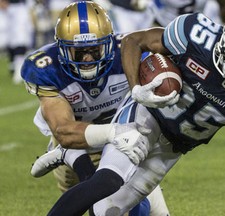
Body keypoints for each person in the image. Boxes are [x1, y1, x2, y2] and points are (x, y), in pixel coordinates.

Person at [33, 6, 225, 216]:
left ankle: (72, 156)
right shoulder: (195, 34)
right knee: (107, 181)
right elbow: (134, 40)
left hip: (171, 147)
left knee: (105, 211)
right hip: (147, 113)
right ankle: (73, 154)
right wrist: (136, 90)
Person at [21, 1, 170, 215]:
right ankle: (65, 155)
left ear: (109, 44)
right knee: (86, 199)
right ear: (61, 49)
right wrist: (111, 133)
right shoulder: (46, 68)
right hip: (77, 143)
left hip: (127, 140)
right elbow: (64, 130)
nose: (88, 59)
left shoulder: (127, 53)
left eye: (94, 50)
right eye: (79, 52)